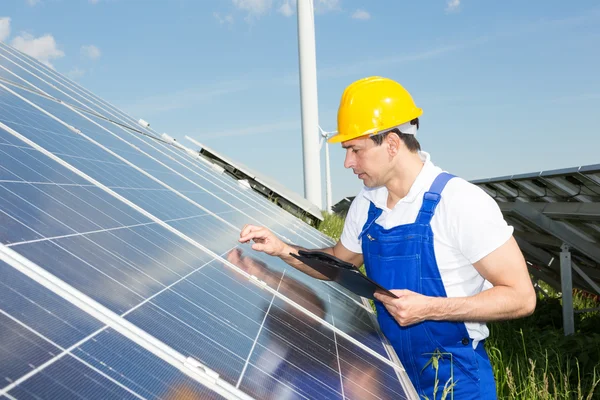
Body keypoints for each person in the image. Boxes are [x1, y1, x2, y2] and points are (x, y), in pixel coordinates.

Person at [238, 76, 536, 399]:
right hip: (390, 380)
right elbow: (336, 263)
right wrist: (283, 250)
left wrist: (430, 309)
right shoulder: (366, 206)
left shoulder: (460, 202)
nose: (347, 162)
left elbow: (522, 296)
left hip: (457, 380)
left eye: (355, 149)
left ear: (392, 144)